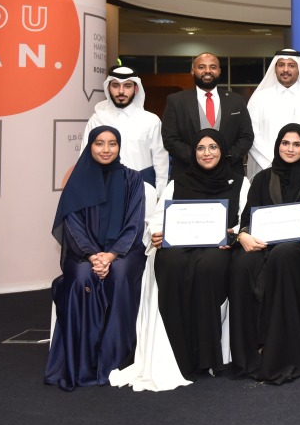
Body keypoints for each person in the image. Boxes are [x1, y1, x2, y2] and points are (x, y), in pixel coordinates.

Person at [45, 126, 147, 391]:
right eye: (99, 143)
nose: (106, 149)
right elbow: (72, 224)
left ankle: (114, 360)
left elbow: (134, 223)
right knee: (81, 278)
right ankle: (82, 362)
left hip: (123, 251)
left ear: (119, 147)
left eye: (112, 144)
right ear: (90, 146)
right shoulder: (77, 180)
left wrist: (111, 255)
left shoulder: (132, 179)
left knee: (121, 274)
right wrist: (93, 256)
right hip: (83, 253)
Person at [228, 123, 300, 384]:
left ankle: (280, 352)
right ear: (278, 145)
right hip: (264, 244)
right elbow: (247, 218)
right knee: (242, 263)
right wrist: (245, 235)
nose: (290, 149)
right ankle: (248, 356)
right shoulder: (262, 178)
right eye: (286, 143)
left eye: (297, 144)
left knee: (283, 255)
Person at [149, 128, 247, 379]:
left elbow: (247, 219)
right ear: (193, 153)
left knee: (208, 267)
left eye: (213, 147)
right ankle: (177, 356)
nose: (207, 153)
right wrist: (159, 233)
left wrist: (233, 234)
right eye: (201, 148)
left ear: (223, 151)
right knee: (170, 263)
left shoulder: (239, 181)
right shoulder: (178, 182)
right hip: (180, 246)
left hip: (219, 247)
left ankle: (207, 356)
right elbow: (158, 220)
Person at [162, 52, 254, 177]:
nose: (207, 71)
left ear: (219, 71)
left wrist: (225, 158)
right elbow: (170, 139)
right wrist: (198, 158)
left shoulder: (236, 100)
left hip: (229, 173)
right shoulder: (176, 100)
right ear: (193, 71)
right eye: (201, 67)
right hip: (188, 174)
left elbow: (246, 136)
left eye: (213, 67)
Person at [84, 65, 169, 195]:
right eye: (116, 85)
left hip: (142, 189)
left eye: (127, 86)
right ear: (108, 88)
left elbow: (160, 161)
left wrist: (160, 195)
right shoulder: (97, 119)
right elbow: (85, 158)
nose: (121, 91)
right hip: (104, 188)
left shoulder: (151, 121)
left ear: (136, 89)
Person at [246, 48, 300, 178]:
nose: (285, 70)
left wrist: (297, 159)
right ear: (275, 68)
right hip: (266, 168)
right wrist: (274, 161)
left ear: (299, 69)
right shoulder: (259, 98)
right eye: (281, 65)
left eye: (291, 65)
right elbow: (252, 134)